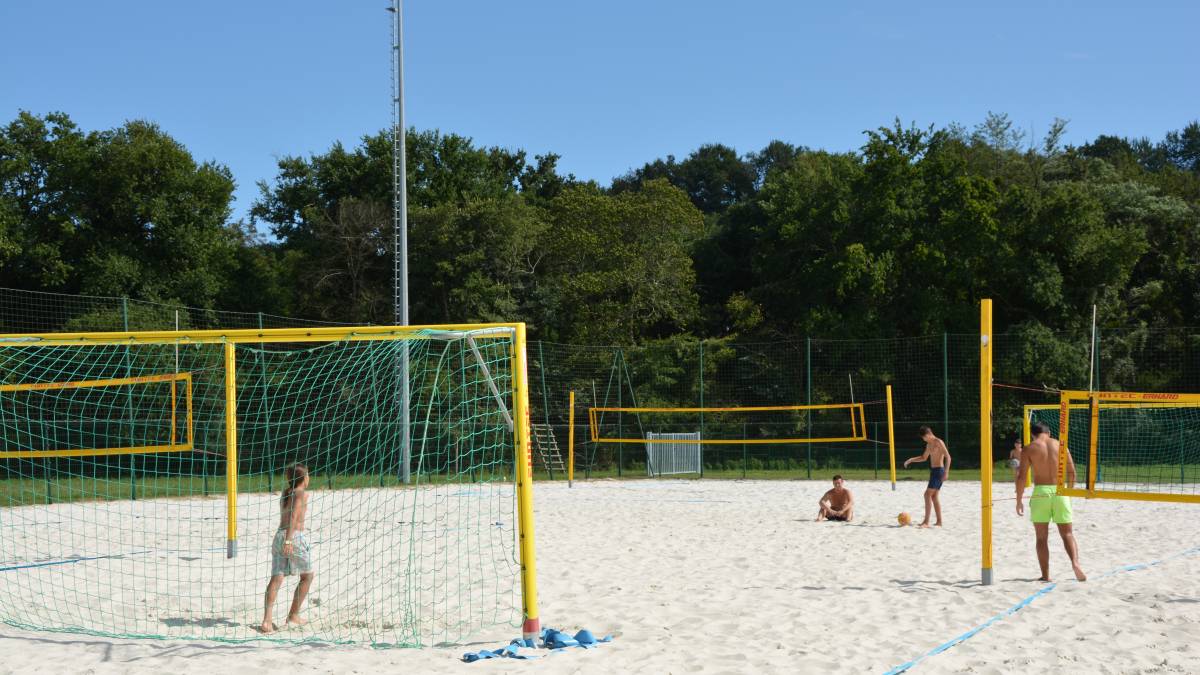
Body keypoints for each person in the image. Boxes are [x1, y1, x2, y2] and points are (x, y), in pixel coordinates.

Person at [1016, 422, 1086, 582]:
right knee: (1067, 533)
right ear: (1048, 432)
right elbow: (1072, 473)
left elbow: (1021, 477)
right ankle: (1075, 563)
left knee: (1041, 538)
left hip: (1041, 493)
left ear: (1033, 434)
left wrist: (1019, 500)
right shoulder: (1061, 445)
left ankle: (1046, 575)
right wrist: (1069, 493)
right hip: (1061, 491)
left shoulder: (1029, 448)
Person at [261, 464, 315, 633]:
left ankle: (267, 621)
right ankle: (293, 615)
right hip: (293, 537)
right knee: (307, 576)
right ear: (304, 478)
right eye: (308, 474)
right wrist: (289, 540)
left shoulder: (286, 493)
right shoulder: (301, 494)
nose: (309, 477)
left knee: (277, 578)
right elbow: (293, 516)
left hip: (278, 536)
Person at [903, 426, 951, 527]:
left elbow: (948, 457)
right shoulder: (929, 444)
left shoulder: (938, 442)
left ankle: (926, 522)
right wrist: (911, 460)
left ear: (928, 434)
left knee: (927, 495)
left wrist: (946, 472)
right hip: (934, 471)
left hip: (939, 471)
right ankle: (939, 522)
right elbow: (924, 458)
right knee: (934, 497)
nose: (923, 439)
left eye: (923, 437)